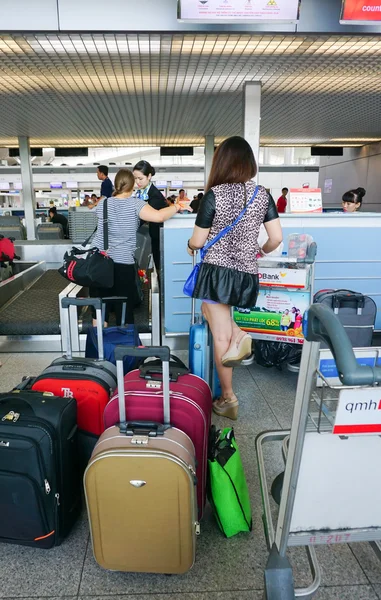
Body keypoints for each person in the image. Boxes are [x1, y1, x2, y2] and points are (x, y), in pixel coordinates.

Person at [187, 136, 282, 420]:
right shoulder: (262, 194)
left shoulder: (214, 195)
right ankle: (240, 333)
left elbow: (198, 239)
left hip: (216, 273)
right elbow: (276, 238)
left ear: (222, 162)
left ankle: (228, 397)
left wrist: (191, 245)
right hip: (245, 274)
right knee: (211, 312)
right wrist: (260, 251)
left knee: (220, 336)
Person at [90, 168, 184, 326]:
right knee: (124, 313)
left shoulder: (103, 203)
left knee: (99, 312)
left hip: (99, 263)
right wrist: (177, 206)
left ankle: (100, 348)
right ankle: (124, 347)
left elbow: (97, 215)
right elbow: (159, 216)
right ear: (132, 184)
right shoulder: (136, 204)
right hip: (122, 266)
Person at [133, 160, 168, 274]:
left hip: (158, 237)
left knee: (159, 266)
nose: (137, 182)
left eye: (140, 178)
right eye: (135, 178)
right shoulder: (143, 192)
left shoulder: (155, 196)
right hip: (150, 235)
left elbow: (142, 217)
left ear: (149, 176)